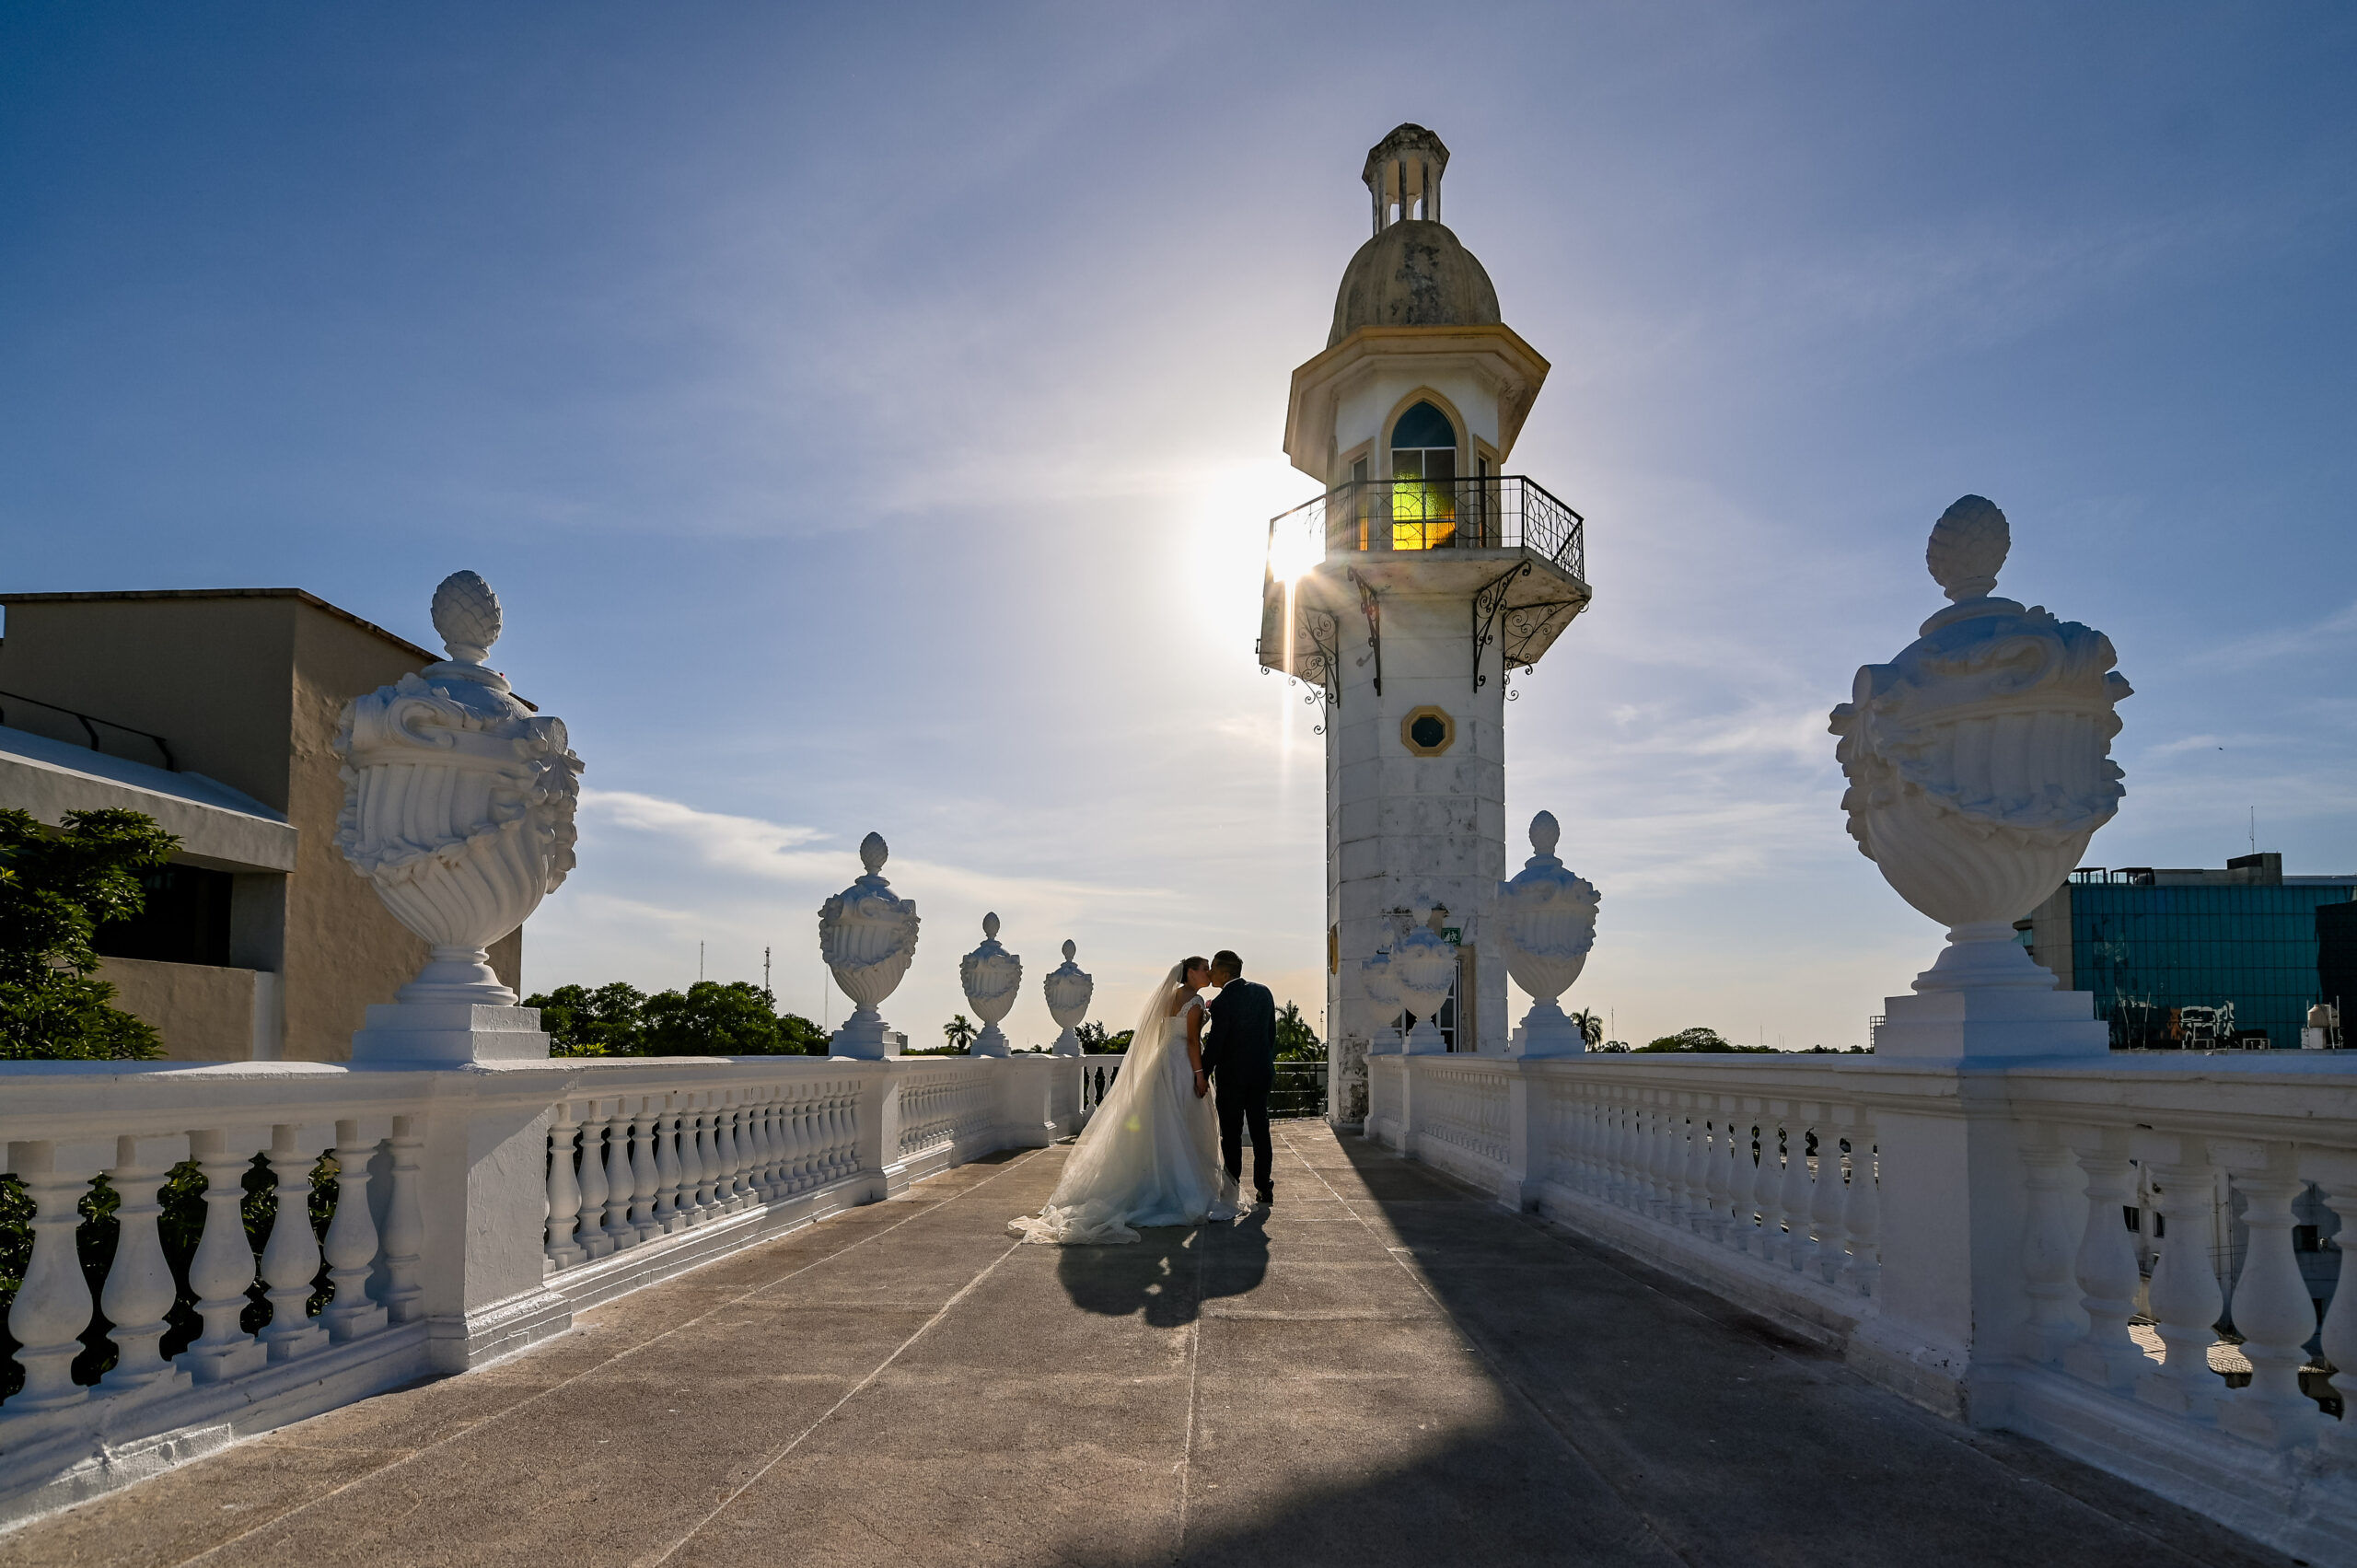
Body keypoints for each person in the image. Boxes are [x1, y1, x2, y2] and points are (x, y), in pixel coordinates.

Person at [1007, 956, 1239, 1245]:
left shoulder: (1169, 997)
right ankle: (1179, 1187)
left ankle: (1155, 1180)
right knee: (1183, 1123)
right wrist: (1199, 1075)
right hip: (1182, 1064)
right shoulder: (1193, 1002)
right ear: (1191, 973)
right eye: (1204, 968)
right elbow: (1192, 1042)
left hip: (1162, 1063)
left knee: (1162, 1124)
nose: (1208, 973)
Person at [1203, 949, 1278, 1206]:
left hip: (1232, 1079)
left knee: (1231, 1135)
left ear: (1225, 973)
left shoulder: (1223, 1002)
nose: (1210, 973)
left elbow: (1216, 1044)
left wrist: (1201, 1072)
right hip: (1260, 1074)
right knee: (1261, 1131)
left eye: (1213, 968)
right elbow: (1271, 1036)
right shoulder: (1264, 993)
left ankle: (1233, 1187)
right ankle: (1264, 1188)